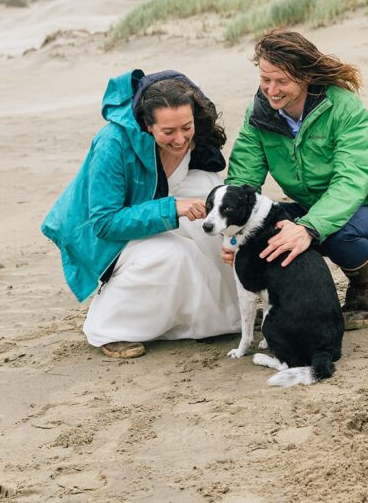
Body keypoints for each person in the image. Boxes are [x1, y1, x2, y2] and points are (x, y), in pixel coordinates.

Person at [41, 70, 240, 359]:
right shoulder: (113, 143)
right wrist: (172, 209)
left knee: (213, 206)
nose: (180, 139)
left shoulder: (196, 134)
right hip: (103, 237)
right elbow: (105, 222)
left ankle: (225, 314)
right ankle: (112, 327)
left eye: (186, 127)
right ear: (147, 125)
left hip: (152, 210)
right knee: (174, 253)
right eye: (168, 132)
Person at [224, 30, 368, 330]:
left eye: (281, 81)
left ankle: (364, 284)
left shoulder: (344, 107)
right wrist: (233, 230)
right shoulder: (258, 114)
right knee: (265, 228)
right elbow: (243, 182)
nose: (271, 90)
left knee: (337, 234)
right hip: (309, 206)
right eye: (265, 80)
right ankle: (294, 300)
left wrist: (307, 228)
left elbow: (352, 180)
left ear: (305, 77)